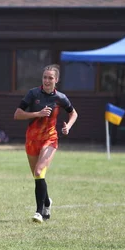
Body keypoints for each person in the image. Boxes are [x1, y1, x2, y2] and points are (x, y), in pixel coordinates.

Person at [14, 64, 78, 223]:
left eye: (50, 78)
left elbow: (73, 113)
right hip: (32, 139)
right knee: (38, 176)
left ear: (56, 80)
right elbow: (17, 114)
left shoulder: (60, 98)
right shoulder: (33, 93)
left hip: (50, 138)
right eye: (45, 77)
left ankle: (39, 212)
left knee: (39, 171)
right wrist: (38, 113)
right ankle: (47, 202)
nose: (47, 80)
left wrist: (68, 126)